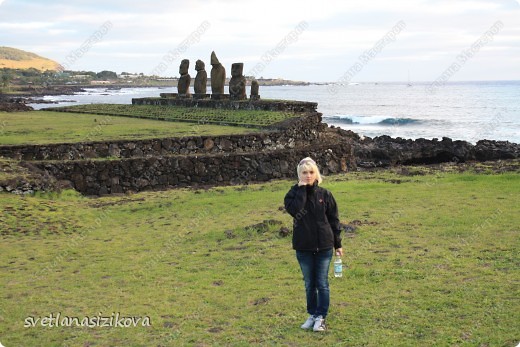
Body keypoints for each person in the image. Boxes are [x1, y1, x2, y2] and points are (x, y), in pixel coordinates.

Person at [284, 157, 343, 332]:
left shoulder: (325, 194)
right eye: (304, 173)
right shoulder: (292, 194)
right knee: (309, 284)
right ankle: (312, 314)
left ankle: (321, 317)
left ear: (316, 173)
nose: (308, 176)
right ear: (299, 174)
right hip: (303, 247)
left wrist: (338, 244)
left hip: (324, 246)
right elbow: (295, 210)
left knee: (322, 283)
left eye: (311, 172)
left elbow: (334, 220)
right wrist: (302, 189)